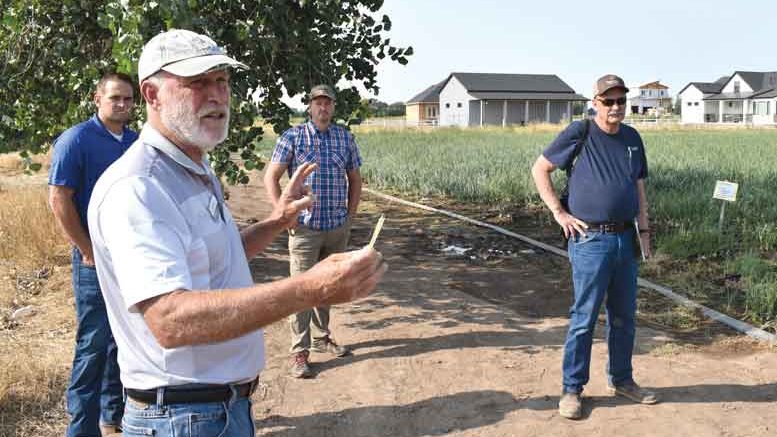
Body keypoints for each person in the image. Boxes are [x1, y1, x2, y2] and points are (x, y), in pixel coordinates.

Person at [87, 29, 386, 436]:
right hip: (182, 418)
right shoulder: (138, 187)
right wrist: (312, 288)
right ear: (152, 95)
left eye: (222, 81)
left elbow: (217, 256)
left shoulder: (193, 167)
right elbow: (170, 320)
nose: (217, 95)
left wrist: (276, 222)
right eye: (197, 82)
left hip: (219, 409)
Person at [531, 74, 657, 420]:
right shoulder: (580, 132)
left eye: (621, 101)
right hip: (590, 241)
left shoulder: (632, 138)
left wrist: (644, 232)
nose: (616, 107)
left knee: (624, 316)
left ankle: (623, 380)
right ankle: (572, 389)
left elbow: (639, 187)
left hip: (625, 239)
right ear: (595, 102)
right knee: (584, 317)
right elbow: (540, 169)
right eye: (609, 101)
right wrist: (559, 212)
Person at [48, 71, 137, 437]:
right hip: (93, 261)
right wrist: (86, 249)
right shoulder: (77, 140)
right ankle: (81, 429)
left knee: (123, 340)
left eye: (128, 99)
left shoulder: (135, 142)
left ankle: (111, 417)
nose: (122, 105)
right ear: (97, 99)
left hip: (130, 258)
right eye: (115, 98)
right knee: (93, 345)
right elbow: (59, 199)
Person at [264, 84, 363, 378]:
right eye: (318, 103)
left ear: (333, 107)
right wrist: (284, 215)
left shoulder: (344, 138)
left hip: (336, 228)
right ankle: (299, 353)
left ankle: (322, 337)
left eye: (328, 103)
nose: (323, 108)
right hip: (305, 228)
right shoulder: (293, 136)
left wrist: (350, 215)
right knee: (301, 290)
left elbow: (355, 178)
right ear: (309, 107)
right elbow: (271, 176)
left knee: (329, 287)